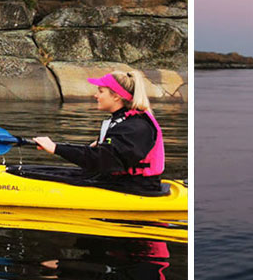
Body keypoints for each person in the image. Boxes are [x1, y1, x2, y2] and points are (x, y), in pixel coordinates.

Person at [32, 71, 165, 194]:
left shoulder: (136, 127)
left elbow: (101, 160)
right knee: (36, 170)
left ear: (116, 97)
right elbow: (103, 155)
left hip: (138, 187)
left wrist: (56, 148)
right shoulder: (123, 120)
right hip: (120, 181)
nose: (96, 95)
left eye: (101, 91)